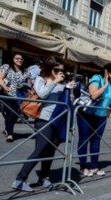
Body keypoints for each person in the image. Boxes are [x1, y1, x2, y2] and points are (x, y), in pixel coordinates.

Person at [12, 57, 75, 192]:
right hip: (44, 119)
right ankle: (19, 179)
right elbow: (42, 94)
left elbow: (70, 101)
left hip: (58, 120)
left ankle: (44, 177)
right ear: (49, 68)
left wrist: (70, 91)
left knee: (50, 150)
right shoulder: (41, 79)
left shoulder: (62, 83)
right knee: (40, 149)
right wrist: (55, 82)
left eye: (61, 70)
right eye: (56, 69)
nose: (60, 72)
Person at [76, 63, 111, 177]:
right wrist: (104, 85)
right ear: (105, 72)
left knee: (96, 141)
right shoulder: (97, 78)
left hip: (101, 116)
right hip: (87, 113)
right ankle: (83, 166)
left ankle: (94, 167)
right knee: (84, 139)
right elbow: (93, 95)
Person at [0, 53, 32, 142]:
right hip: (8, 93)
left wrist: (28, 89)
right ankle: (10, 134)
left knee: (16, 114)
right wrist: (5, 87)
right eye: (17, 58)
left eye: (21, 59)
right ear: (13, 59)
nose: (19, 60)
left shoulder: (25, 71)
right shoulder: (6, 67)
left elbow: (29, 83)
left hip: (20, 96)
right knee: (9, 113)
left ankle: (7, 129)